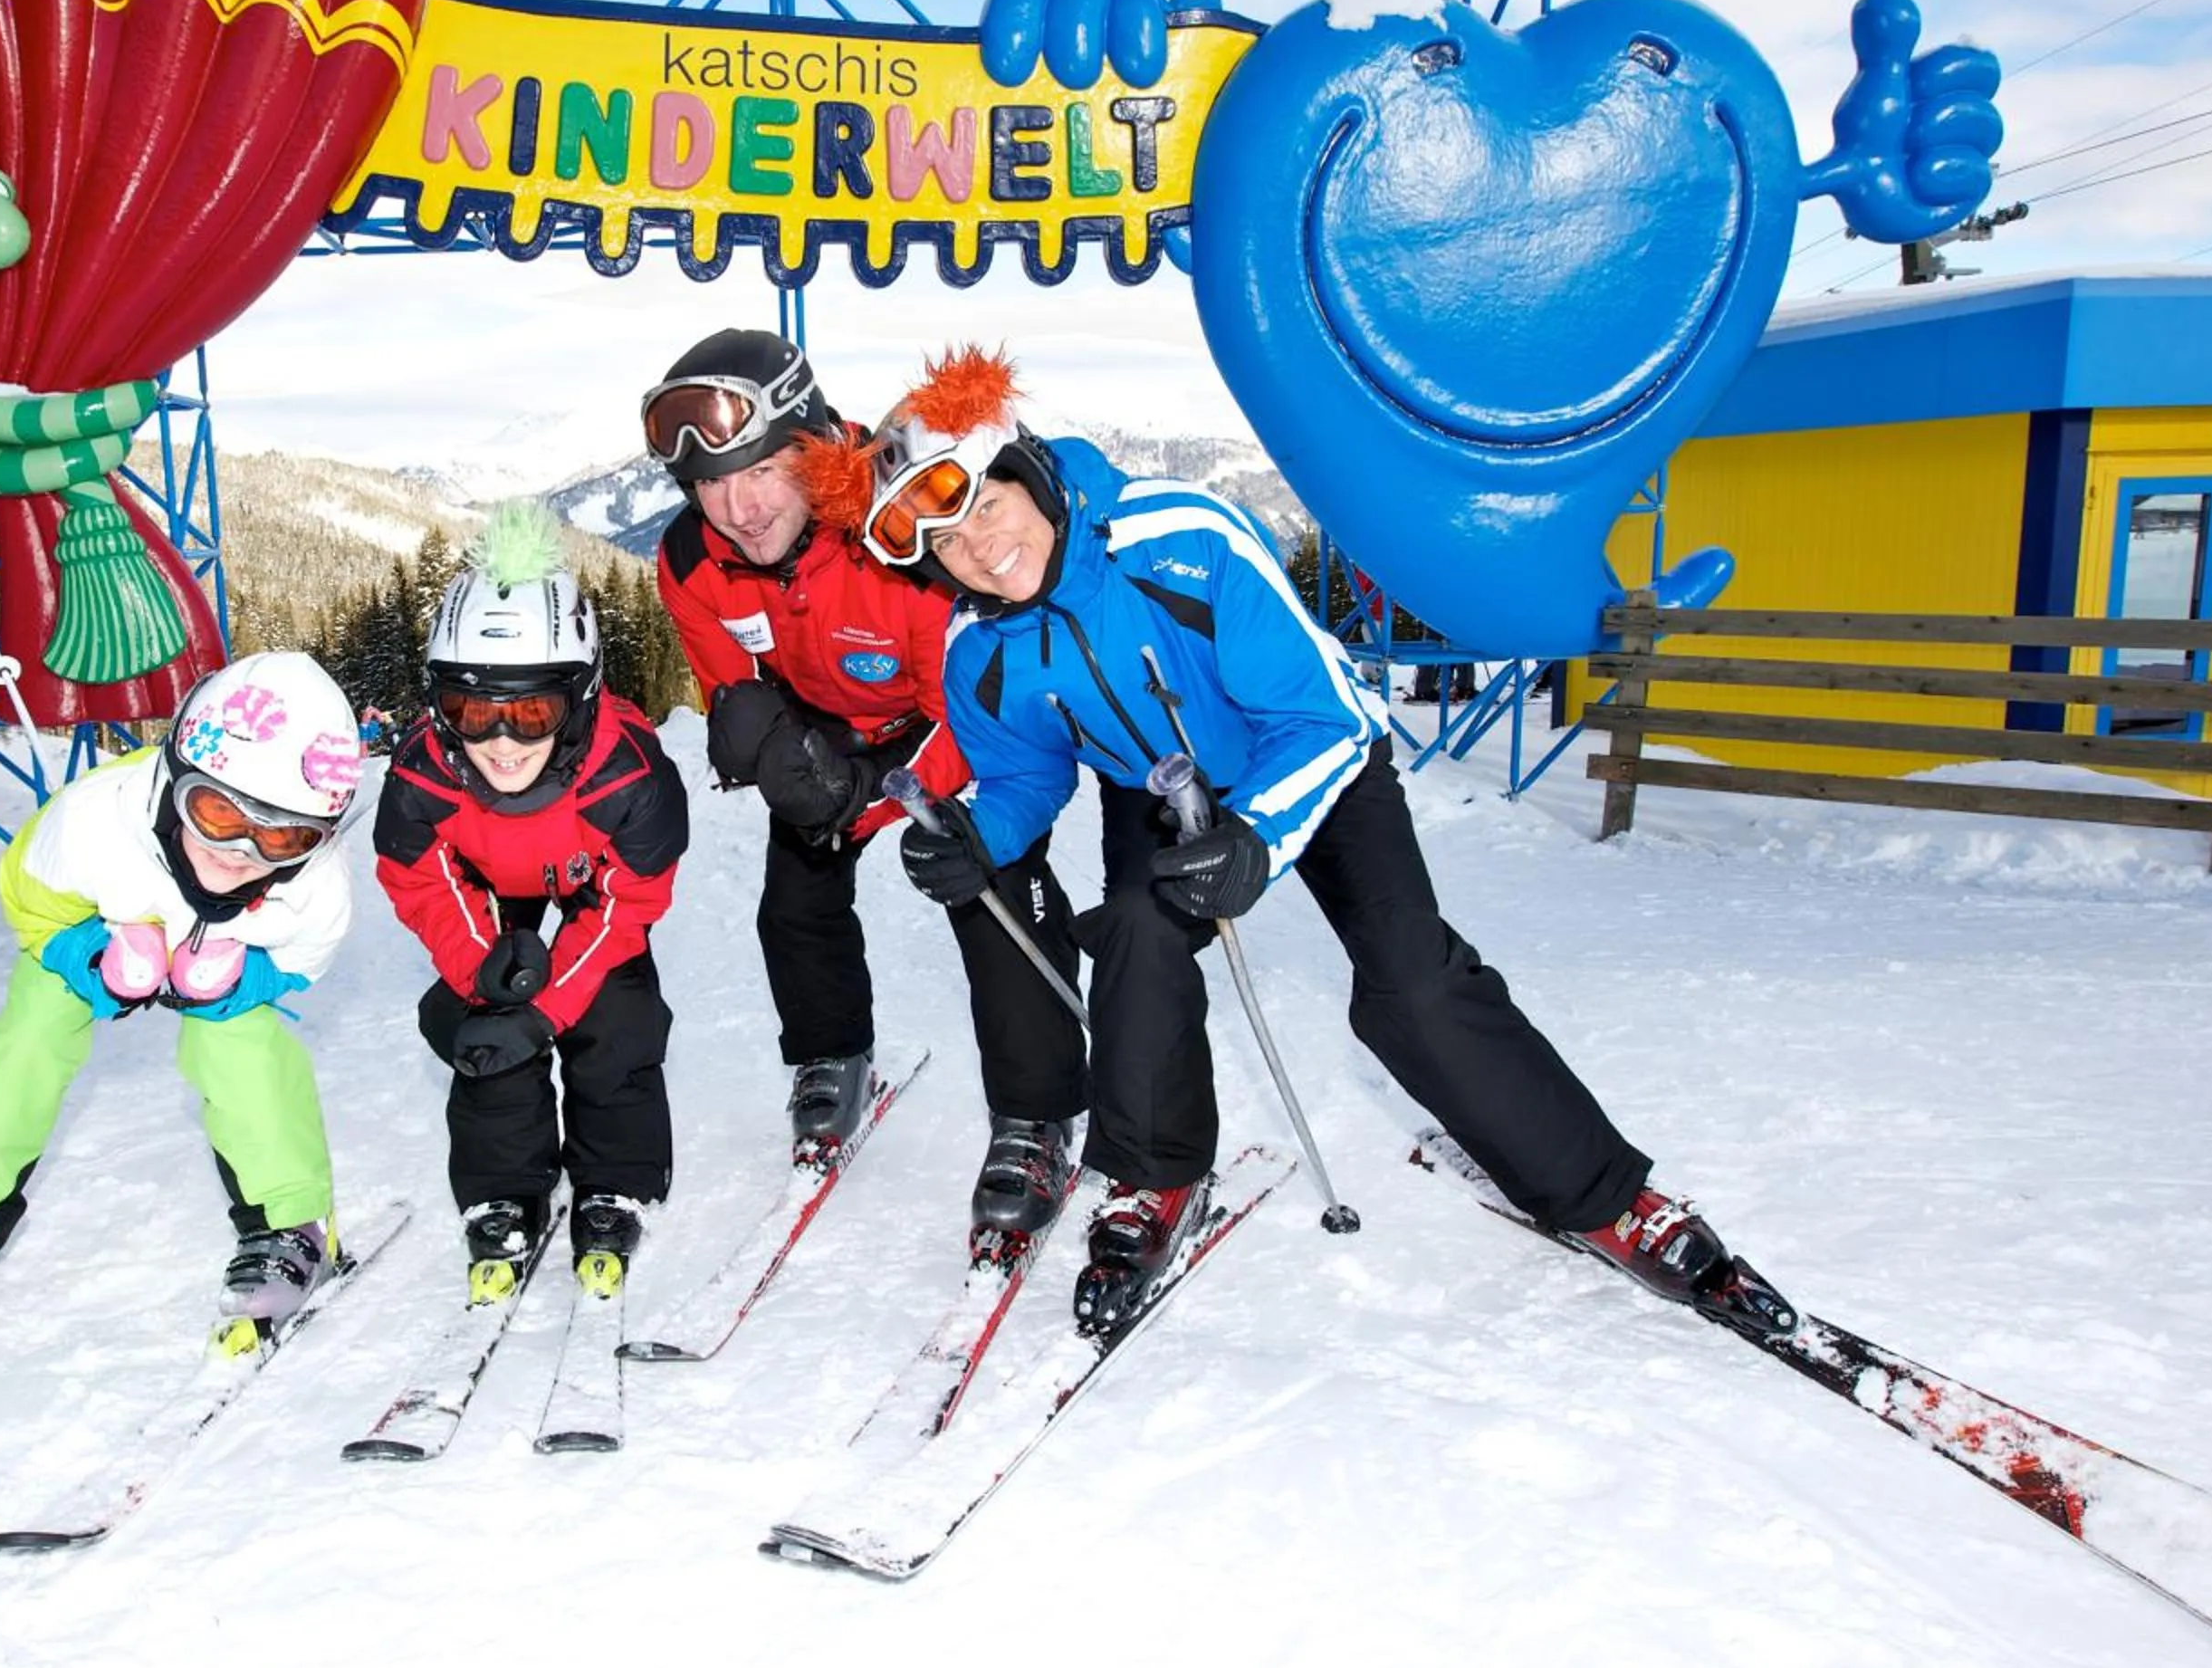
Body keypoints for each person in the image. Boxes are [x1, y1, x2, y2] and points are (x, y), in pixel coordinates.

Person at [821, 347, 1790, 1336]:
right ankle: (1154, 1178)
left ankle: (1603, 1196)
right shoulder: (979, 642)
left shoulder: (1179, 543)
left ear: (1024, 472)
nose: (979, 551)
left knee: (1412, 982)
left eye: (985, 507)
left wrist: (1257, 833)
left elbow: (1322, 718)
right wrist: (979, 835)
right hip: (1154, 790)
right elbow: (1028, 775)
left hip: (1308, 757)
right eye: (944, 545)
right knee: (1136, 939)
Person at [643, 328, 1085, 1238]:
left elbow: (975, 701)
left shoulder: (898, 531)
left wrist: (881, 796)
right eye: (712, 485)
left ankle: (1036, 1113)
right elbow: (735, 685)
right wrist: (777, 756)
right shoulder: (691, 561)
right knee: (793, 901)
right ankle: (831, 1054)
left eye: (763, 470)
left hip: (949, 724)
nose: (740, 506)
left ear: (811, 450)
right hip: (825, 729)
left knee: (988, 878)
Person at [0, 652, 369, 1356]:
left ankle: (291, 1222)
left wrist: (246, 979)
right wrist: (88, 957)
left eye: (281, 836)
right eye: (216, 811)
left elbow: (300, 965)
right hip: (103, 924)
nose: (239, 850)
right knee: (29, 1035)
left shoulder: (312, 888)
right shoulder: (93, 823)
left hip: (224, 953)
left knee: (242, 1049)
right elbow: (30, 900)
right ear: (177, 780)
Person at [374, 504, 689, 1300]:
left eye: (533, 711)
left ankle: (614, 1177)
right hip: (486, 889)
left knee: (616, 1013)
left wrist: (546, 1007)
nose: (502, 741)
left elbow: (627, 902)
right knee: (489, 1033)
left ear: (577, 700)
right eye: (472, 711)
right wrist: (482, 970)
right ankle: (501, 1186)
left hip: (585, 883)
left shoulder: (628, 778)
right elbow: (420, 878)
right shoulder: (424, 774)